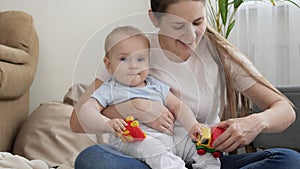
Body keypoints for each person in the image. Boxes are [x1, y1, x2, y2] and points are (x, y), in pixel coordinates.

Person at [70, 0, 300, 168]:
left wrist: (255, 122)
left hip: (200, 153)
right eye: (178, 27)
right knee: (93, 159)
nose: (191, 36)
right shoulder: (131, 50)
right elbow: (78, 120)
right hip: (145, 159)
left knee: (288, 160)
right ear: (154, 18)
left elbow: (285, 111)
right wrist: (134, 107)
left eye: (198, 22)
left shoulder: (219, 53)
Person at [77, 25, 220, 169]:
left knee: (200, 145)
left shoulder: (155, 85)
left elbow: (177, 105)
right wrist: (107, 124)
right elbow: (86, 111)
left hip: (171, 139)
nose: (133, 65)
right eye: (124, 59)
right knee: (153, 148)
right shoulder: (110, 89)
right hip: (136, 141)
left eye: (140, 59)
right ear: (109, 65)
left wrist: (193, 125)